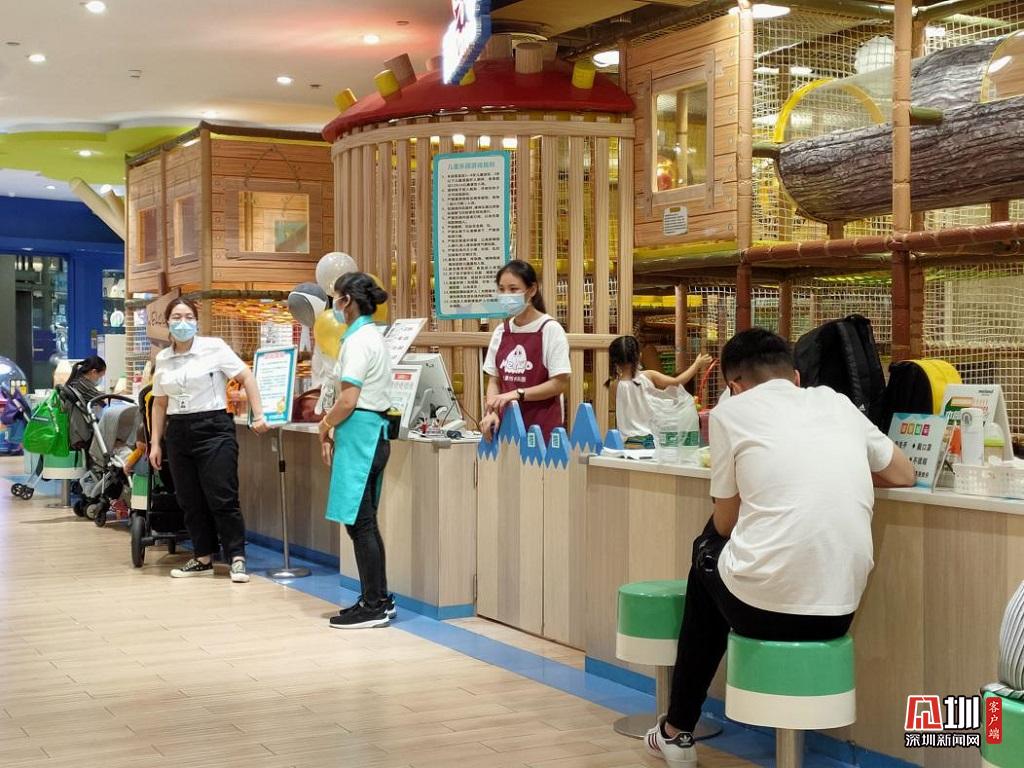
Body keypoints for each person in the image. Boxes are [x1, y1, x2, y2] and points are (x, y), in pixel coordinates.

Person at [646, 328, 915, 768]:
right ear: (795, 376)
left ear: (734, 386)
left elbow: (725, 523)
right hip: (839, 612)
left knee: (705, 552)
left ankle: (677, 731)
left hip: (761, 610)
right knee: (718, 562)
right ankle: (679, 729)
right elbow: (904, 473)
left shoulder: (730, 414)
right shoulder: (836, 402)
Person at [149, 298, 269, 583]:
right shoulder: (162, 358)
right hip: (178, 431)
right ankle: (202, 557)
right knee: (189, 499)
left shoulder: (214, 347)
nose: (183, 322)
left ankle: (236, 557)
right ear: (167, 323)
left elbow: (246, 376)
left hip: (214, 428)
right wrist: (155, 442)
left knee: (222, 496)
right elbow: (159, 403)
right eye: (176, 317)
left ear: (196, 321)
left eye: (188, 317)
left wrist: (259, 414)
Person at [318, 272, 396, 629]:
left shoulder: (358, 341)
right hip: (371, 433)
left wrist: (325, 424)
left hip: (360, 434)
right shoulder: (370, 336)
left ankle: (374, 604)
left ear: (347, 300)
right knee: (364, 522)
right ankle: (376, 597)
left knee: (360, 523)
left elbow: (348, 399)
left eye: (335, 297)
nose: (333, 304)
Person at [481, 260, 571, 443]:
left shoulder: (550, 329)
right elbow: (494, 380)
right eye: (502, 289)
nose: (506, 295)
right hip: (506, 430)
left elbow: (560, 383)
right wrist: (491, 412)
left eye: (513, 289)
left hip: (541, 431)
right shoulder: (501, 331)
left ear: (532, 290)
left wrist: (518, 393)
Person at [607, 336, 712, 449]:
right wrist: (696, 365)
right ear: (639, 356)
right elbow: (677, 382)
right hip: (649, 441)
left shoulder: (615, 385)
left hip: (626, 442)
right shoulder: (648, 376)